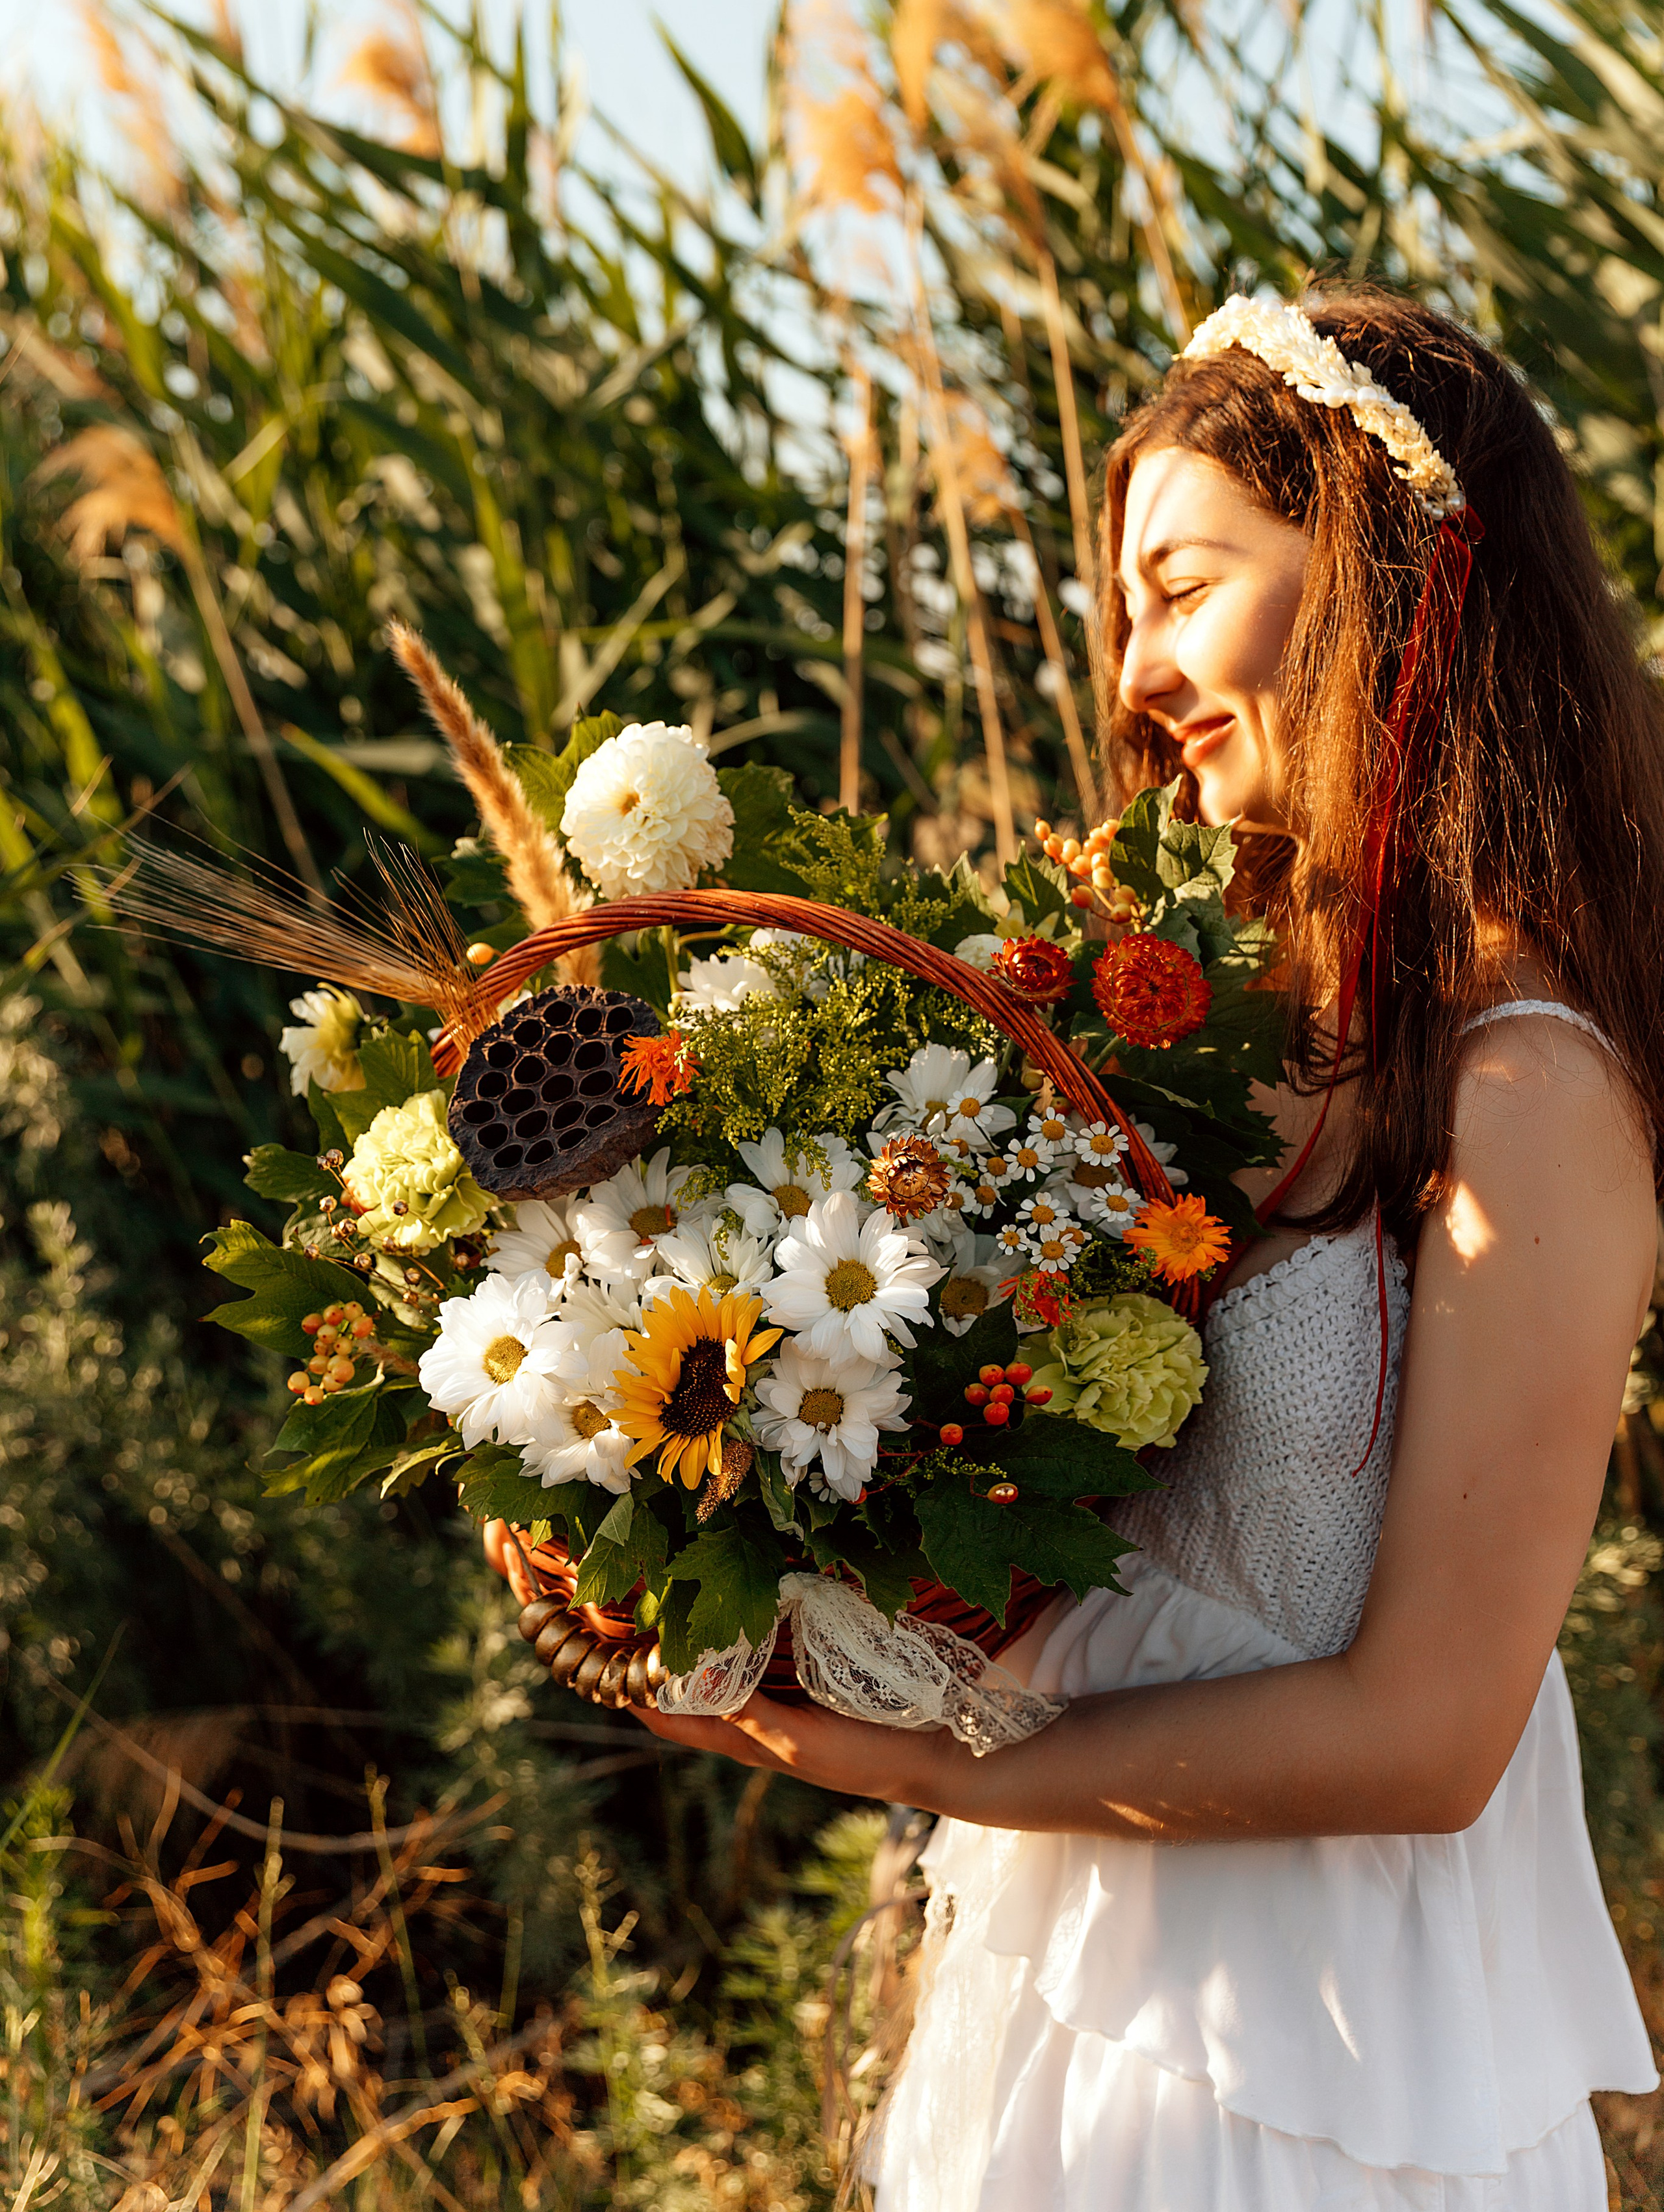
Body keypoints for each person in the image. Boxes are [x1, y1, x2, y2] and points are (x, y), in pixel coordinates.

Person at [495, 286, 1664, 2205]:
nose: (1134, 671)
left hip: (1327, 2070)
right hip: (1070, 1999)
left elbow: (1431, 1733)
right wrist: (699, 1492)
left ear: (1385, 579)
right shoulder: (1214, 1045)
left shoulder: (1535, 1096)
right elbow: (1046, 1522)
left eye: (1187, 586)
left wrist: (918, 1767)